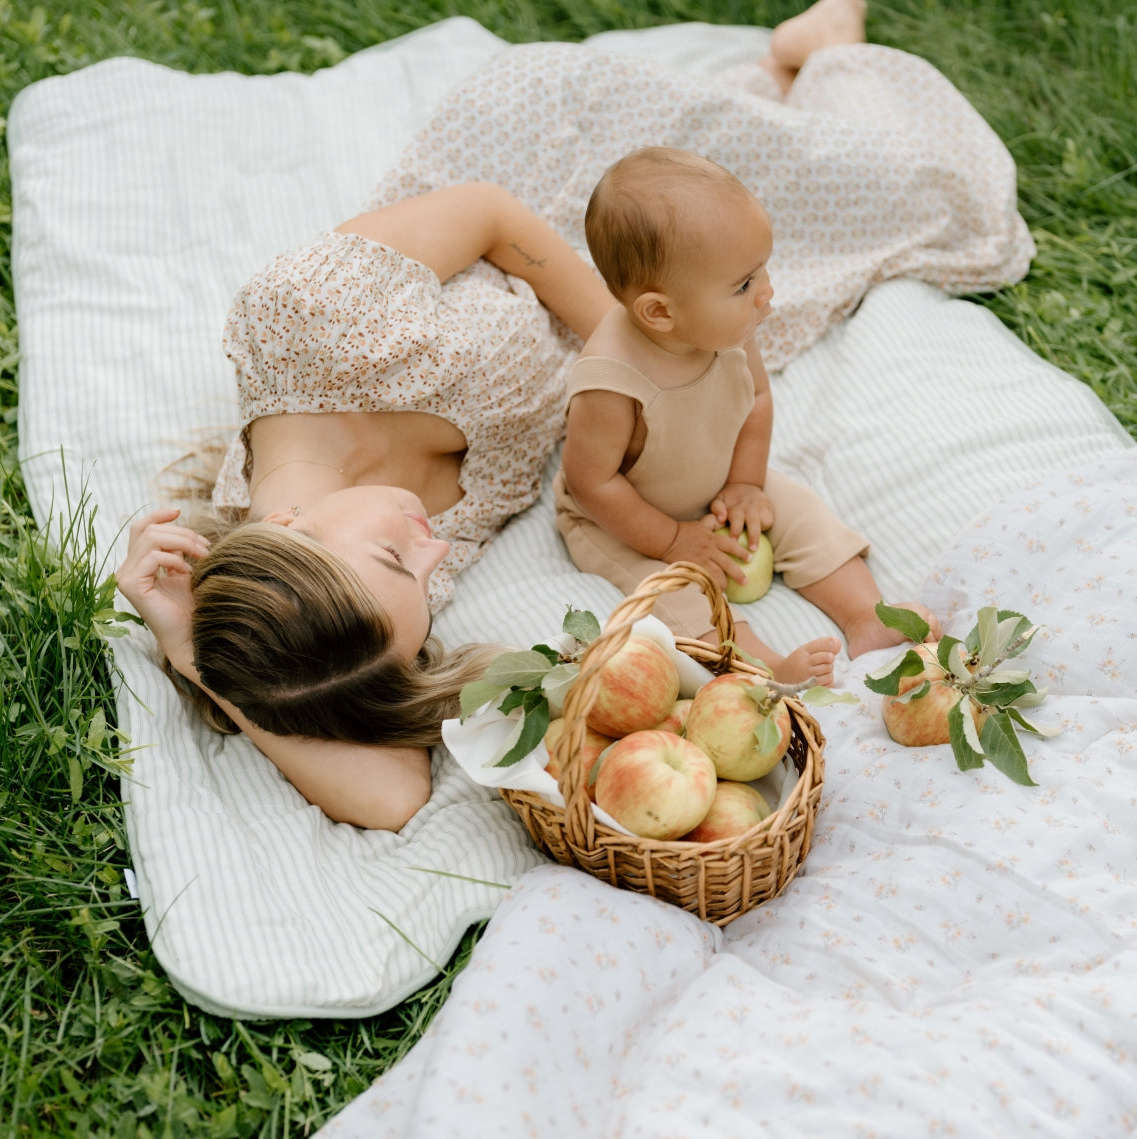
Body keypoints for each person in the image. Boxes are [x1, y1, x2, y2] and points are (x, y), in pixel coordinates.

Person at [116, 0, 1035, 831]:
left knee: (899, 193)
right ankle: (794, 69)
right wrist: (193, 654)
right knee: (890, 206)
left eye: (402, 553)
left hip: (557, 186)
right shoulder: (359, 611)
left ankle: (817, 50)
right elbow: (393, 797)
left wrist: (633, 339)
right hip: (655, 336)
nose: (435, 549)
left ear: (287, 527)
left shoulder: (303, 322)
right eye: (421, 574)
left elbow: (486, 213)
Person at [556, 148, 937, 685]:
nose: (766, 293)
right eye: (742, 285)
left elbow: (756, 398)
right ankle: (766, 667)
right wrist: (672, 541)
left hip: (719, 482)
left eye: (762, 271)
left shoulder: (728, 329)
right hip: (624, 517)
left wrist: (745, 483)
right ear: (660, 311)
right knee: (675, 599)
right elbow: (591, 481)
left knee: (803, 513)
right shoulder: (611, 380)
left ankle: (867, 617)